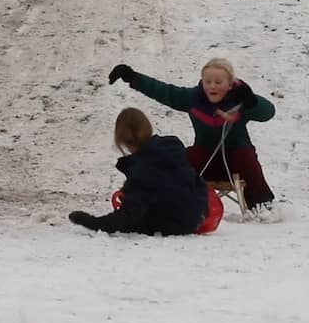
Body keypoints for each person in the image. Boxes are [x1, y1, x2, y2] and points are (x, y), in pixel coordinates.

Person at [108, 57, 277, 213]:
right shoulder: (193, 99)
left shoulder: (240, 102)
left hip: (237, 161)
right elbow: (165, 92)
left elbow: (268, 113)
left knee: (245, 155)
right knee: (181, 159)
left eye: (218, 82)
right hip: (206, 160)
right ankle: (163, 204)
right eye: (208, 81)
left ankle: (262, 206)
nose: (212, 86)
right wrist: (132, 77)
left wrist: (251, 101)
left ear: (229, 84)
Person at [68, 108, 210, 236]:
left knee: (138, 219)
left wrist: (91, 222)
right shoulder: (173, 149)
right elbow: (195, 181)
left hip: (174, 225)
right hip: (195, 216)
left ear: (123, 141)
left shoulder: (142, 169)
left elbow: (128, 216)